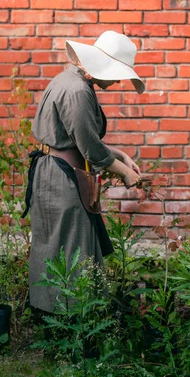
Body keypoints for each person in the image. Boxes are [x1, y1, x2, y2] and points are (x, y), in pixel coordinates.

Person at [23, 30, 145, 314]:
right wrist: (124, 172)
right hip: (62, 178)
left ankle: (64, 320)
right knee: (70, 250)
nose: (116, 81)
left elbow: (77, 139)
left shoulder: (70, 81)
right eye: (116, 74)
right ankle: (71, 325)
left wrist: (120, 156)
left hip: (58, 172)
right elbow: (88, 146)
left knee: (60, 246)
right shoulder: (77, 91)